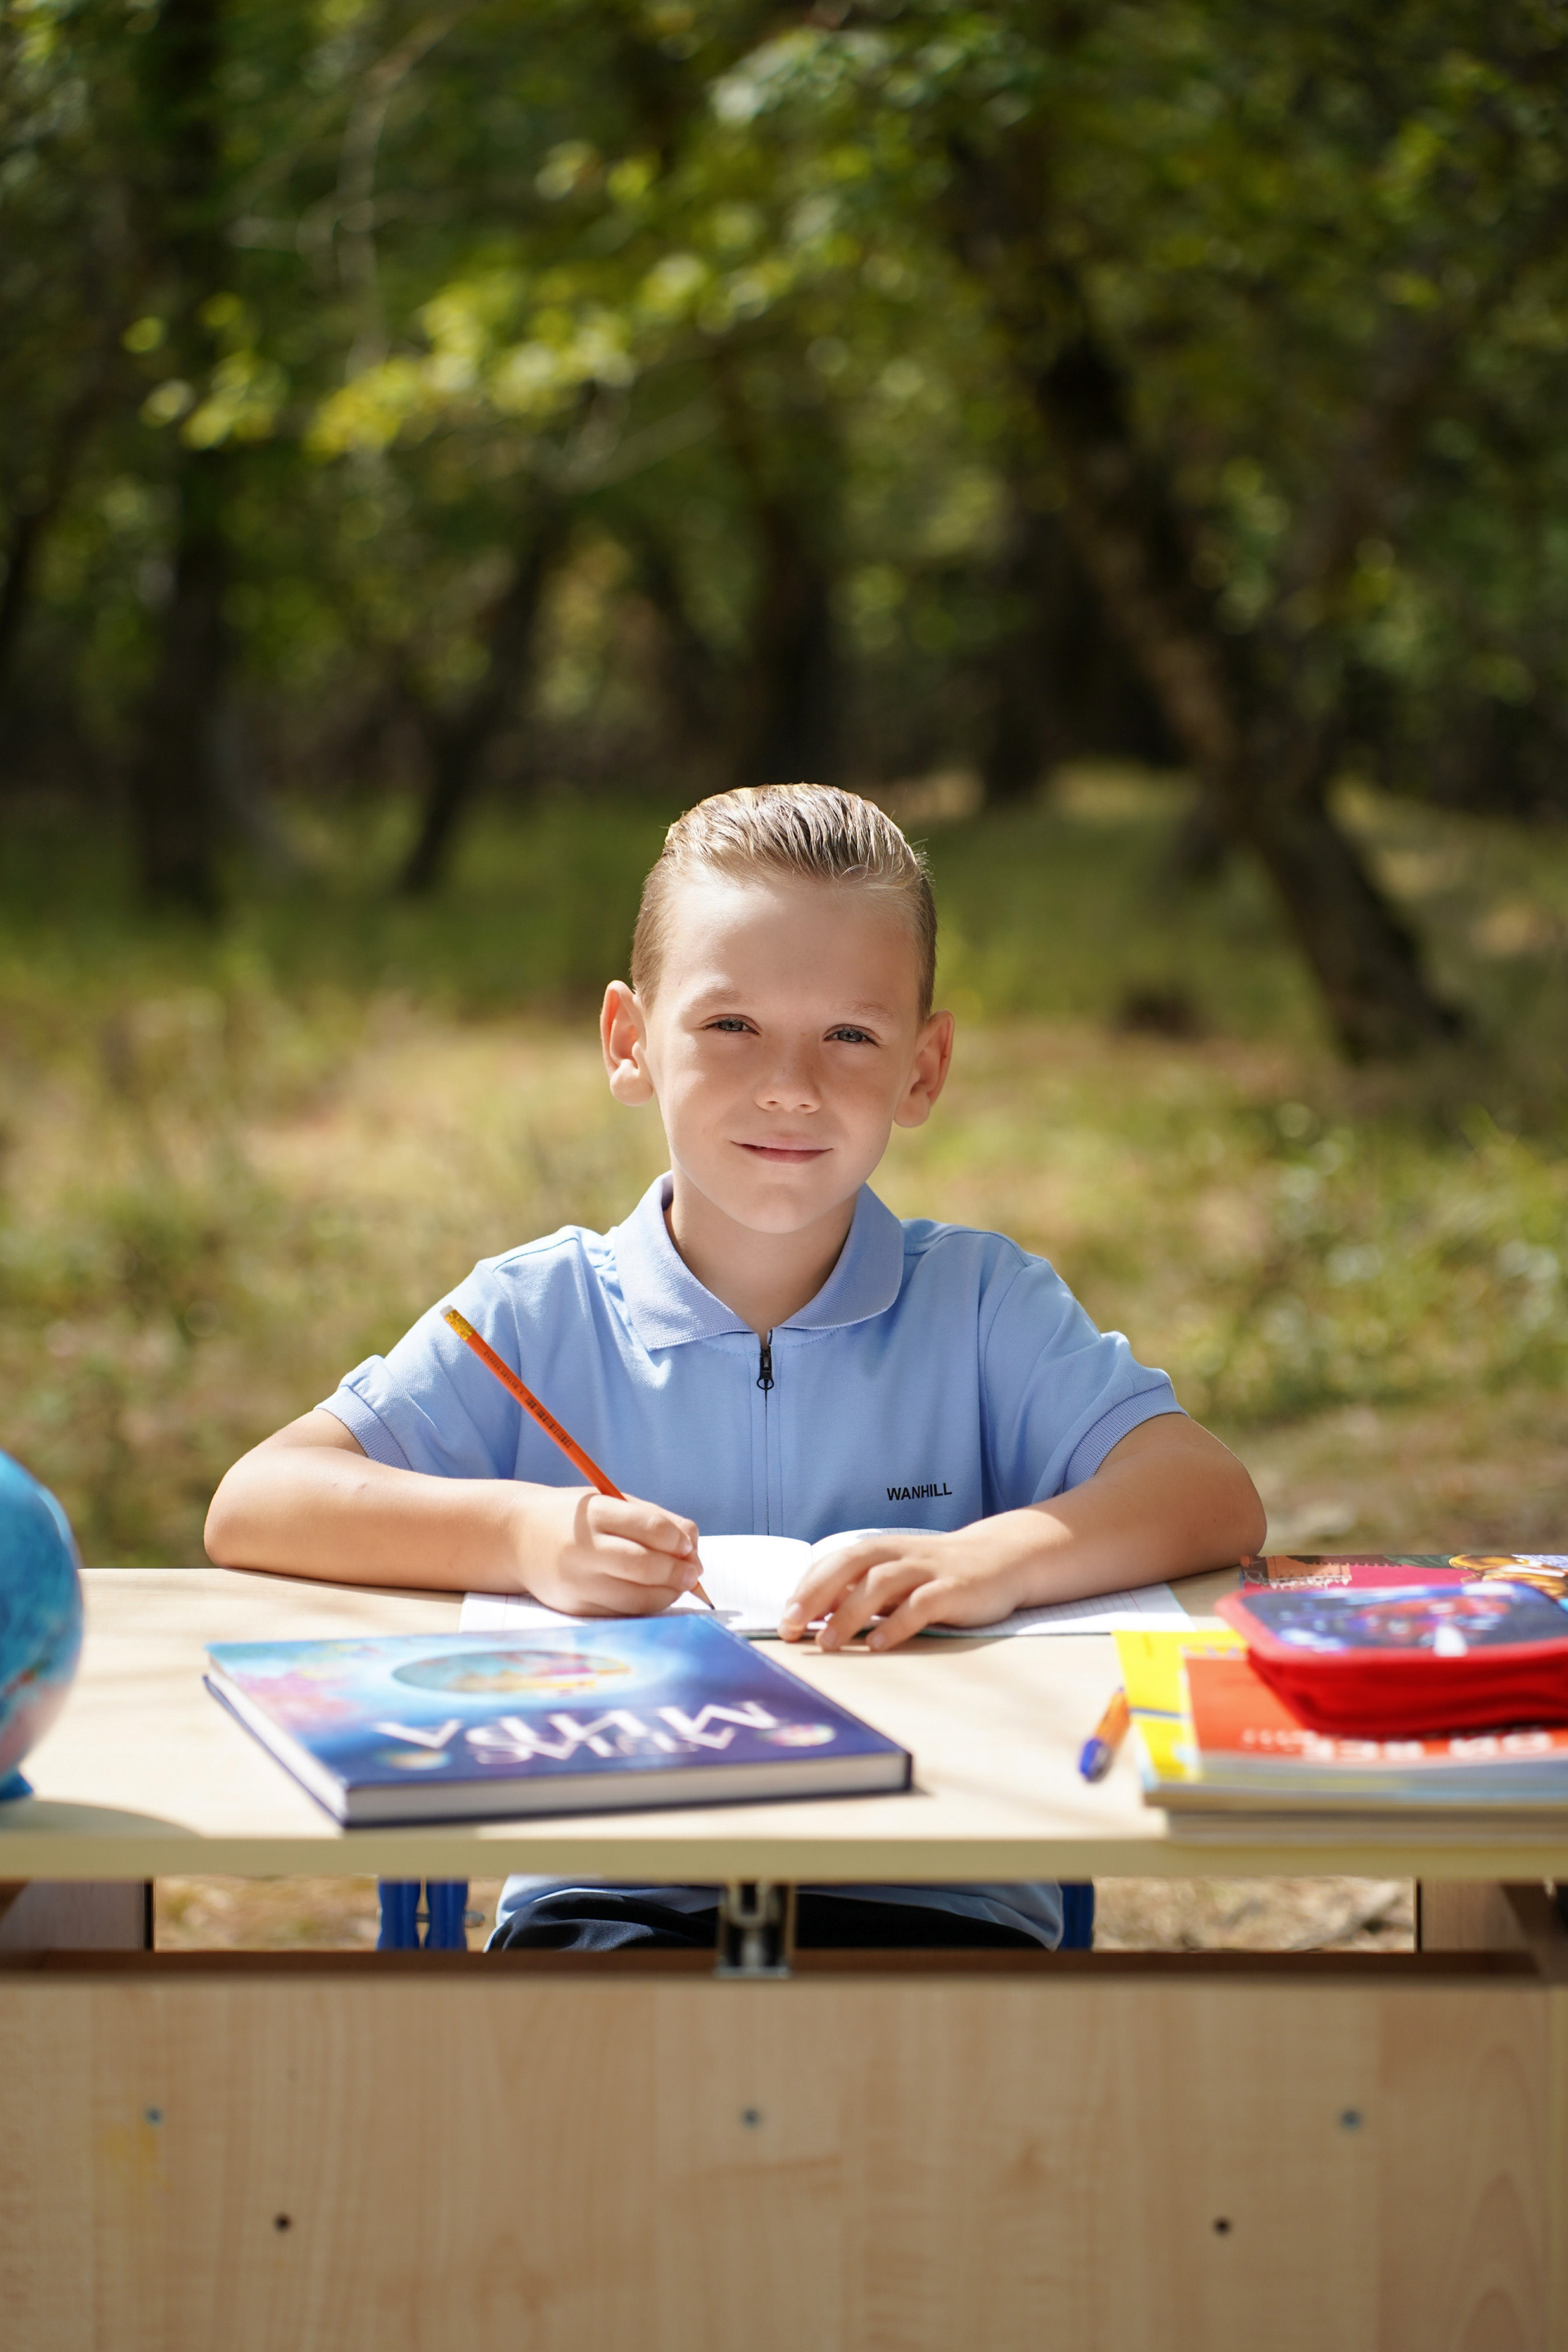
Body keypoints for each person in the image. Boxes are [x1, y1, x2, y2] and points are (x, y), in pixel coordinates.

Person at [206, 783, 1264, 1950]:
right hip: (610, 1901)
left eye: (850, 1036)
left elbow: (1210, 1494)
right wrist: (519, 1536)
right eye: (730, 1026)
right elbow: (259, 1501)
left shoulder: (982, 1305)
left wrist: (989, 1560)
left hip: (940, 1894)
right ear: (629, 1043)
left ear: (924, 1068)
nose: (790, 1086)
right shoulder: (533, 1311)